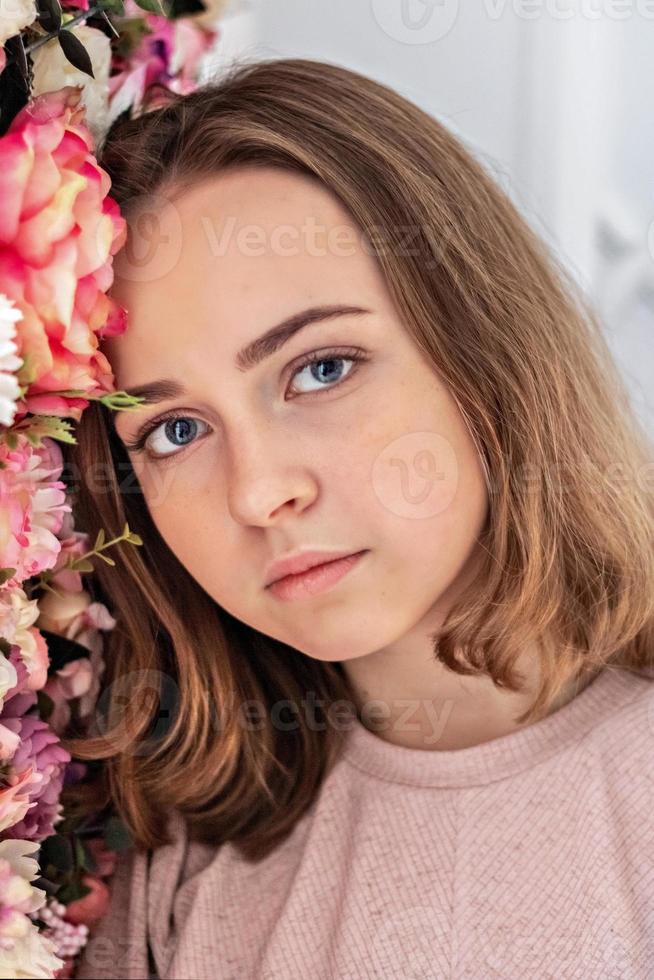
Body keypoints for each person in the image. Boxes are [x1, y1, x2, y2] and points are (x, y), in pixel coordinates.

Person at [67, 57, 654, 979]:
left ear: (483, 348)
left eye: (321, 369)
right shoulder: (179, 854)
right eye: (177, 430)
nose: (260, 493)